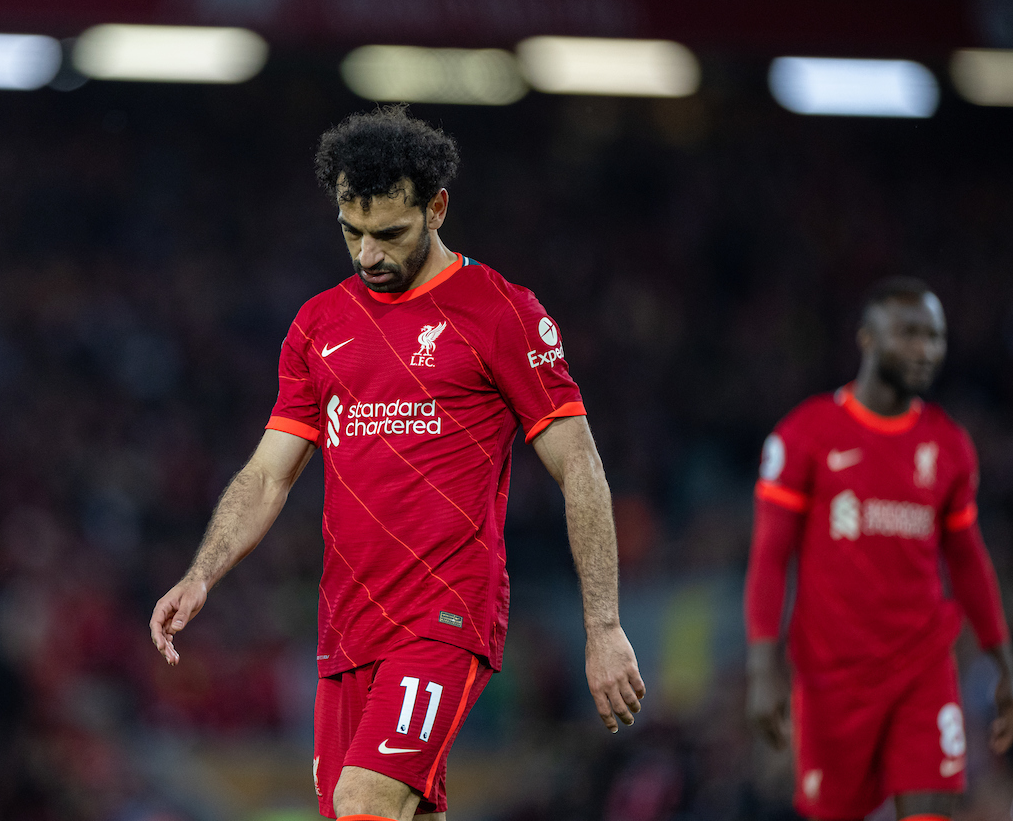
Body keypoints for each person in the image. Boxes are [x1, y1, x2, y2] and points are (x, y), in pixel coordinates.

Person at [149, 106, 646, 821]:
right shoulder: (319, 325)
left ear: (437, 206)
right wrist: (202, 572)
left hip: (444, 616)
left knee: (364, 804)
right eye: (351, 232)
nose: (368, 256)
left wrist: (602, 626)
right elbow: (268, 473)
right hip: (347, 629)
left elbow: (582, 469)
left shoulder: (500, 312)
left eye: (389, 234)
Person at [744, 276, 1013, 821]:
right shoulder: (805, 434)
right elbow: (770, 557)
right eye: (909, 334)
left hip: (924, 665)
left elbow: (967, 561)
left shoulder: (949, 446)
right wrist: (762, 666)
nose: (926, 350)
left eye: (935, 337)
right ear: (867, 339)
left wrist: (1003, 660)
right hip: (833, 677)